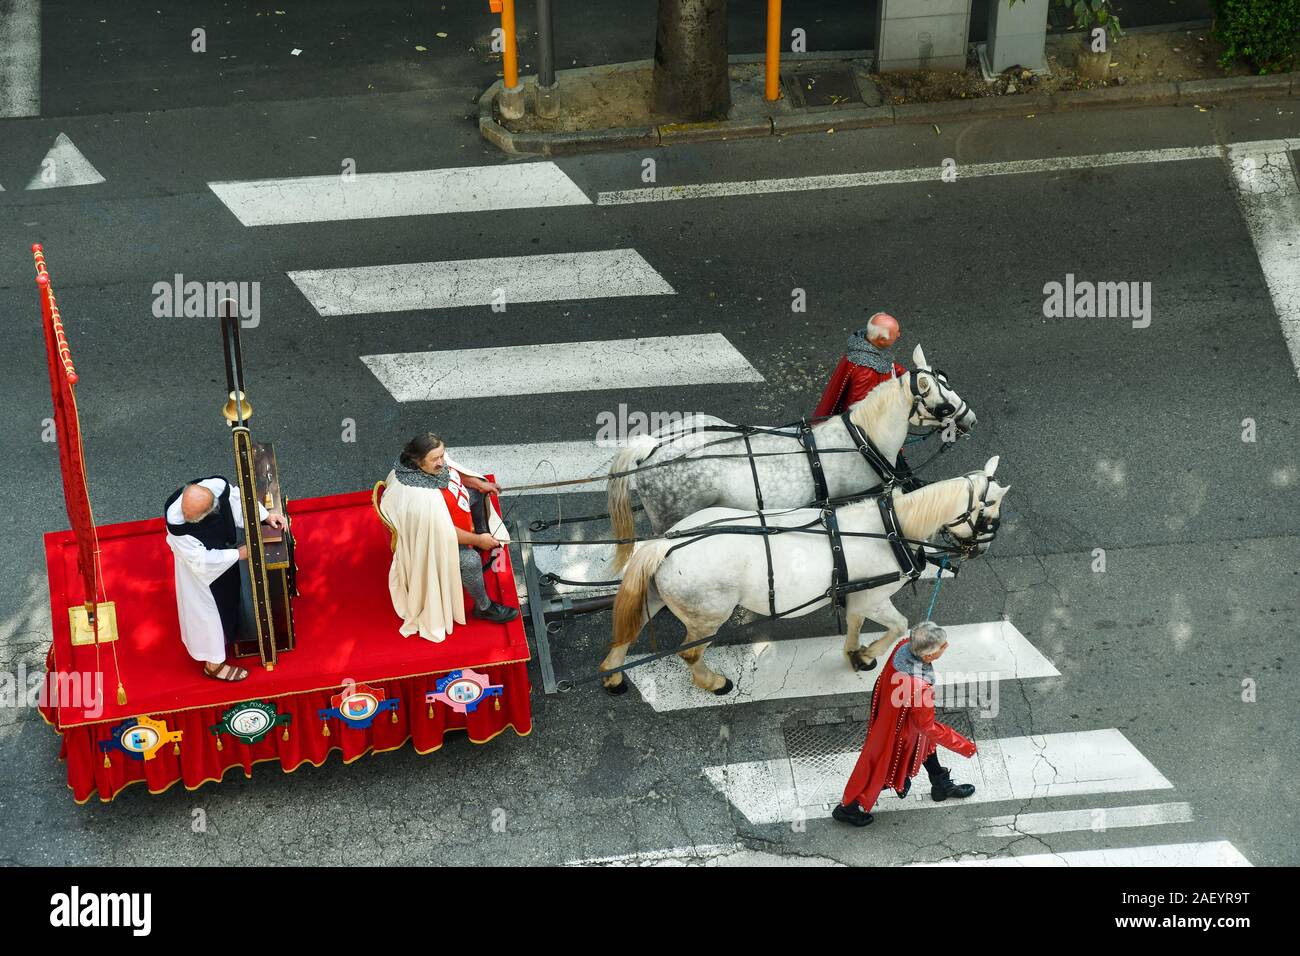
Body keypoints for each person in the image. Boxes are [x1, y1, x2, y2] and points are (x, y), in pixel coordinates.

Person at [833, 621, 977, 827]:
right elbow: (928, 726)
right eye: (942, 646)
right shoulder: (920, 687)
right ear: (927, 657)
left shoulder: (903, 646)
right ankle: (847, 808)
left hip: (897, 717)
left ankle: (941, 784)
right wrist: (965, 745)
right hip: (903, 731)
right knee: (885, 769)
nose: (946, 647)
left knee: (926, 747)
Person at [381, 432, 517, 643]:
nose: (442, 462)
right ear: (418, 461)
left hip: (444, 519)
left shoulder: (426, 464)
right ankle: (484, 607)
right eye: (436, 459)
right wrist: (477, 541)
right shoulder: (418, 497)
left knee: (474, 493)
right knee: (469, 562)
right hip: (431, 543)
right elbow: (442, 532)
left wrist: (479, 484)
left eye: (442, 455)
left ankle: (483, 531)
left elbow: (451, 473)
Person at [164, 477, 287, 682]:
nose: (184, 517)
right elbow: (200, 560)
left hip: (222, 553)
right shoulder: (179, 527)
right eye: (186, 514)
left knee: (231, 596)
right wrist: (237, 555)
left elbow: (238, 502)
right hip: (201, 578)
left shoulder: (217, 488)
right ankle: (213, 665)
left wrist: (264, 516)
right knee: (208, 613)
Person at [813, 312, 908, 418]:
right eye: (895, 334)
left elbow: (885, 363)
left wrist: (905, 374)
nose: (899, 335)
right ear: (881, 340)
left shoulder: (866, 345)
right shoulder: (866, 371)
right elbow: (861, 409)